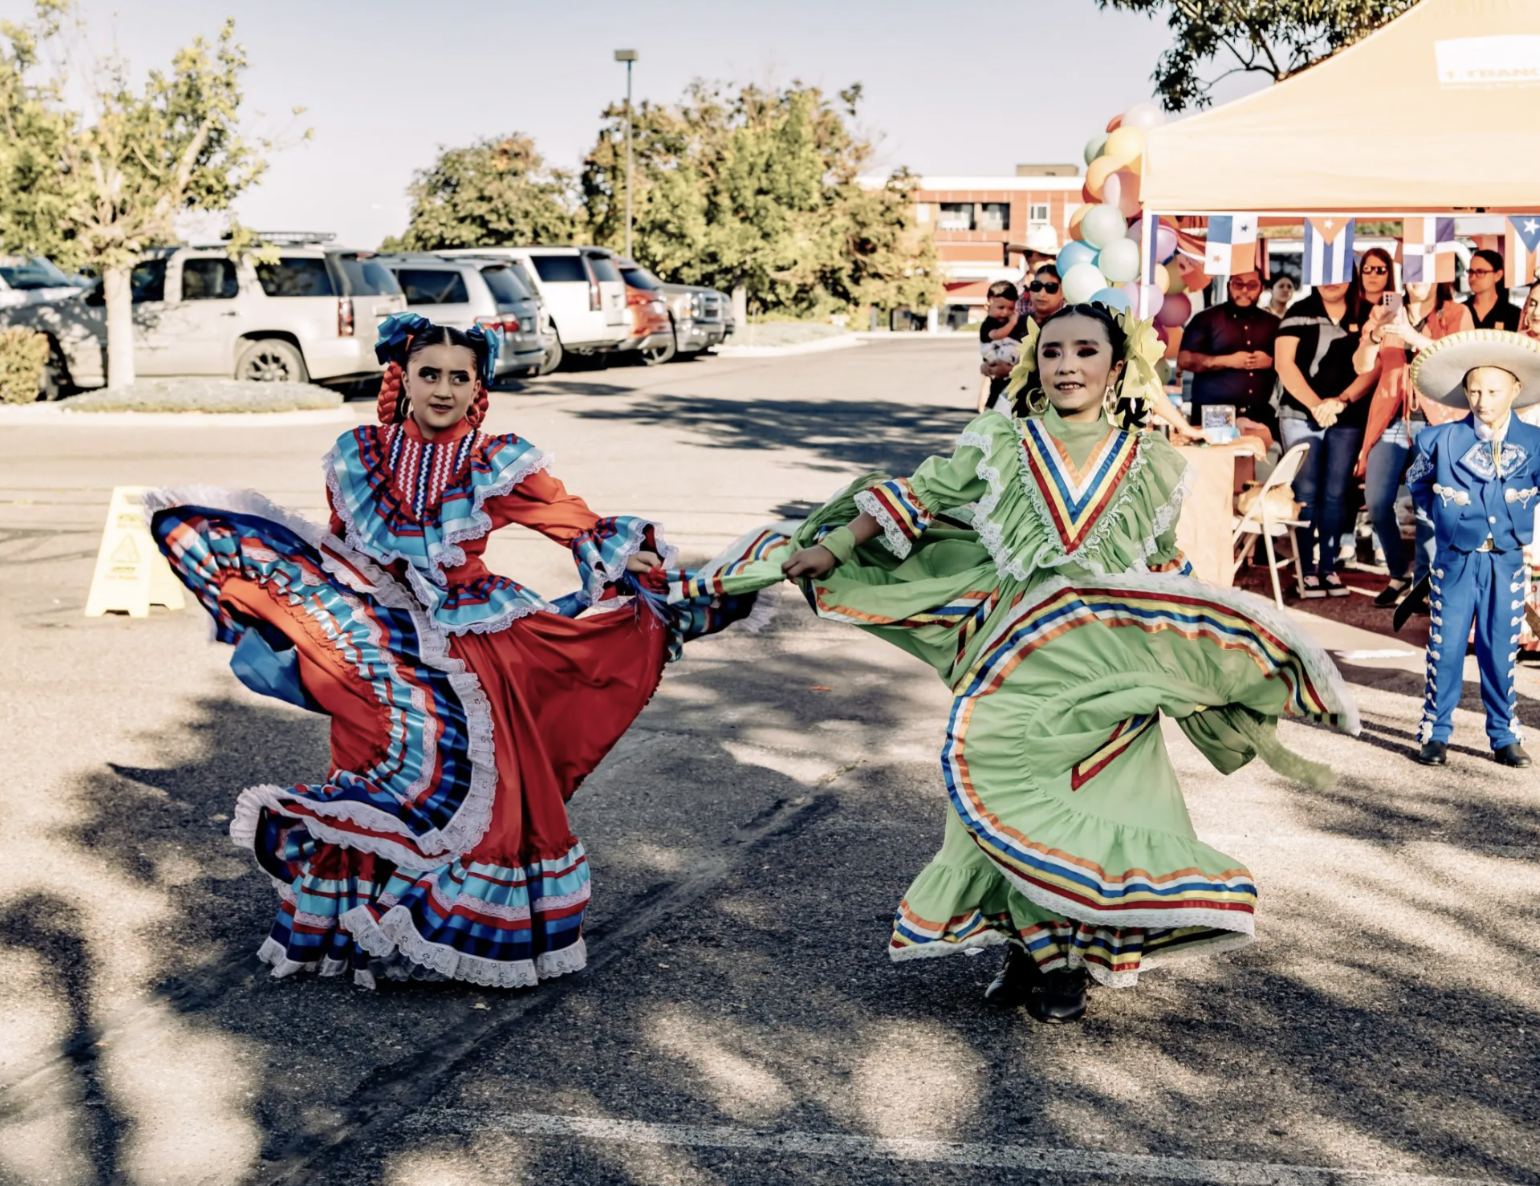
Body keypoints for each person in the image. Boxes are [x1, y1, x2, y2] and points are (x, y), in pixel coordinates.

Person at [748, 302, 1358, 1024]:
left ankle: (1068, 958)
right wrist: (840, 546)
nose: (1067, 365)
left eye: (1084, 352)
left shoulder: (1153, 464)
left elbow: (1162, 565)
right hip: (1014, 652)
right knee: (1004, 792)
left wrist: (1198, 653)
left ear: (1117, 367)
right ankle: (1034, 946)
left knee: (1096, 800)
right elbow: (919, 493)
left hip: (1109, 662)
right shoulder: (999, 443)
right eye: (1053, 352)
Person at [146, 314, 757, 989]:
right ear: (401, 379)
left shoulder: (493, 460)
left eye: (458, 378)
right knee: (369, 767)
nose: (442, 388)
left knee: (480, 788)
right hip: (374, 644)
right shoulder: (356, 454)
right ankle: (358, 922)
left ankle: (436, 925)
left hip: (470, 645)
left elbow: (568, 518)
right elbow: (343, 542)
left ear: (477, 390)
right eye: (428, 373)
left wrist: (628, 553)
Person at [1406, 329, 1540, 768]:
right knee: (1444, 647)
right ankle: (1435, 730)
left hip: (1507, 559)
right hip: (1455, 559)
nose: (1483, 399)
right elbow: (1417, 484)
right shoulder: (1438, 440)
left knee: (1500, 647)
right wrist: (1446, 521)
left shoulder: (1535, 443)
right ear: (1464, 391)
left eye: (1494, 390)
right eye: (1475, 389)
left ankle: (1503, 733)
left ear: (1516, 390)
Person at [1352, 279, 1473, 609]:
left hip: (1436, 420)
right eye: (1412, 271)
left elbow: (1459, 362)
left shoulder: (1456, 312)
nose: (1418, 279)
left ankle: (1423, 583)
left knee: (1427, 507)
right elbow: (1361, 364)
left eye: (1426, 271)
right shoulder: (1385, 311)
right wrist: (1377, 333)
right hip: (1390, 418)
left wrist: (1413, 336)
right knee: (1376, 501)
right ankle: (1398, 572)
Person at [1275, 268, 1380, 597]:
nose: (1332, 280)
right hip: (1299, 415)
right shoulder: (1298, 310)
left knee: (1337, 494)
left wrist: (1340, 402)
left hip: (1346, 415)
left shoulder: (1366, 313)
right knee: (1305, 493)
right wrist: (1317, 405)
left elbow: (1375, 365)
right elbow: (1284, 364)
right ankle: (1306, 569)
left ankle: (1329, 568)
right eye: (1325, 271)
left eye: (1339, 272)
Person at [1176, 270, 1280, 431]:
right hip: (1213, 413)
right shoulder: (1206, 319)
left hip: (1259, 413)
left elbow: (1296, 361)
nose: (1244, 290)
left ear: (1261, 288)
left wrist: (1273, 362)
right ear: (1228, 286)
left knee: (1260, 455)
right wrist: (1228, 361)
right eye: (1238, 284)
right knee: (1216, 456)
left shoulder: (1273, 324)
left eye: (1252, 285)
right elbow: (1184, 360)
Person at [977, 280, 1027, 413]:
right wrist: (1012, 324)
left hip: (1008, 365)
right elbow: (996, 335)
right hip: (995, 360)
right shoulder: (988, 323)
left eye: (1011, 309)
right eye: (1001, 308)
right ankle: (990, 408)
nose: (1005, 313)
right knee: (997, 389)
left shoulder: (1005, 321)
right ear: (988, 305)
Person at [1465, 248, 1521, 332]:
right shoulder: (1460, 311)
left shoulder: (1514, 314)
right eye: (1471, 272)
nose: (1473, 277)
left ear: (1498, 275)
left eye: (1480, 272)